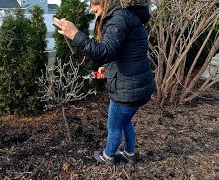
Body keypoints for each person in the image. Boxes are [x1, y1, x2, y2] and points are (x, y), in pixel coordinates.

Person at [53, 0, 155, 166]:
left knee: (114, 127)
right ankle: (130, 153)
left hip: (127, 91)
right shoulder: (129, 16)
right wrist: (107, 70)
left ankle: (108, 156)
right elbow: (123, 53)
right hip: (139, 87)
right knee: (125, 121)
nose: (96, 16)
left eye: (95, 11)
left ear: (103, 3)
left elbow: (105, 52)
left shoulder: (119, 18)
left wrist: (75, 35)